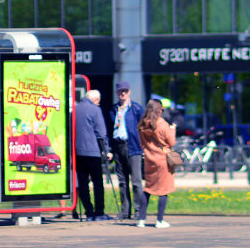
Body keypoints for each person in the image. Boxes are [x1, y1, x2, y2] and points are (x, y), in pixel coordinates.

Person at [137, 97, 176, 228]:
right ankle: (159, 220)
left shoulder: (143, 124)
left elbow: (142, 143)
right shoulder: (162, 124)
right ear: (159, 110)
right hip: (163, 160)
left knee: (148, 188)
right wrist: (173, 129)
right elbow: (172, 142)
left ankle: (141, 219)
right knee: (163, 190)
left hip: (149, 160)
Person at [73, 89, 110, 222]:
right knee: (98, 183)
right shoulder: (95, 110)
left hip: (78, 151)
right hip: (93, 151)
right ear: (96, 100)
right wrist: (105, 149)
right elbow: (101, 132)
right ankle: (99, 212)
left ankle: (88, 212)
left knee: (83, 183)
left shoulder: (76, 109)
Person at [109, 82, 144, 222]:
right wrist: (110, 149)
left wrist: (143, 147)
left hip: (132, 146)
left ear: (129, 92)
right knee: (122, 181)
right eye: (120, 91)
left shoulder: (136, 108)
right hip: (118, 146)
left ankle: (138, 210)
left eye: (125, 91)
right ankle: (125, 211)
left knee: (136, 181)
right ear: (117, 93)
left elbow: (142, 129)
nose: (122, 94)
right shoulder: (114, 109)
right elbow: (109, 127)